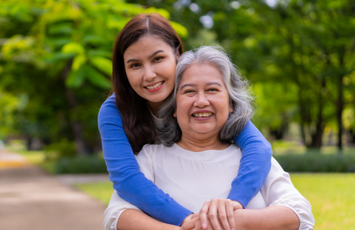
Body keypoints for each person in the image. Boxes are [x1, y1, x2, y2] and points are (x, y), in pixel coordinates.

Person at [103, 46, 315, 230]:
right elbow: (117, 216)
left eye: (212, 89)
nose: (201, 101)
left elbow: (301, 214)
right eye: (189, 91)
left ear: (231, 103)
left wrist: (229, 219)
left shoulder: (252, 159)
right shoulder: (150, 157)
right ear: (174, 107)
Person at [98, 13, 272, 230]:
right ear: (123, 71)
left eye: (158, 59)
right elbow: (126, 179)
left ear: (177, 55)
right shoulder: (114, 111)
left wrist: (233, 203)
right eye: (135, 65)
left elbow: (259, 148)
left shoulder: (203, 100)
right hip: (153, 207)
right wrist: (189, 220)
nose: (149, 74)